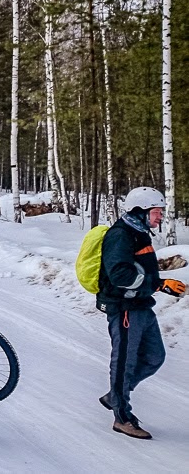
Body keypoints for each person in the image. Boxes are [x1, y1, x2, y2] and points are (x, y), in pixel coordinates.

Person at [97, 186, 186, 439]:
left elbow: (140, 270)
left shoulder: (140, 233)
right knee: (124, 363)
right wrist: (159, 284)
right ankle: (122, 417)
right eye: (157, 212)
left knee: (154, 357)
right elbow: (120, 275)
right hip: (124, 308)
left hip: (142, 305)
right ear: (141, 210)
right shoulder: (121, 235)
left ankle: (116, 395)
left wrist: (160, 283)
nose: (160, 217)